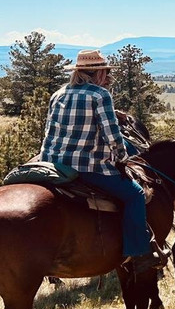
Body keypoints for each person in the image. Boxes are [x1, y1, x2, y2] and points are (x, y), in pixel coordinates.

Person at [39, 49, 164, 264]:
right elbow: (112, 136)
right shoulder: (99, 95)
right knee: (134, 195)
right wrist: (123, 158)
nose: (108, 77)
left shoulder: (58, 94)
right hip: (87, 166)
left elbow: (50, 131)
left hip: (52, 163)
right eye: (106, 73)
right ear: (98, 74)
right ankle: (138, 253)